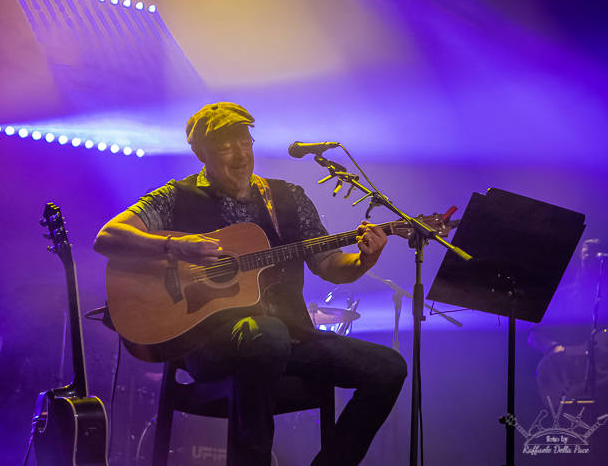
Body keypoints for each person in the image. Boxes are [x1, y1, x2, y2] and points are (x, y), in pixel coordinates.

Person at [94, 102, 407, 465]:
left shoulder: (288, 197)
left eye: (245, 142)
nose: (241, 155)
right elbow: (108, 237)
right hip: (209, 344)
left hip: (293, 338)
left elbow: (330, 265)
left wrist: (364, 259)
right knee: (267, 334)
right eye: (226, 146)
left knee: (388, 368)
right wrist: (177, 247)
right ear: (200, 153)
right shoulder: (176, 196)